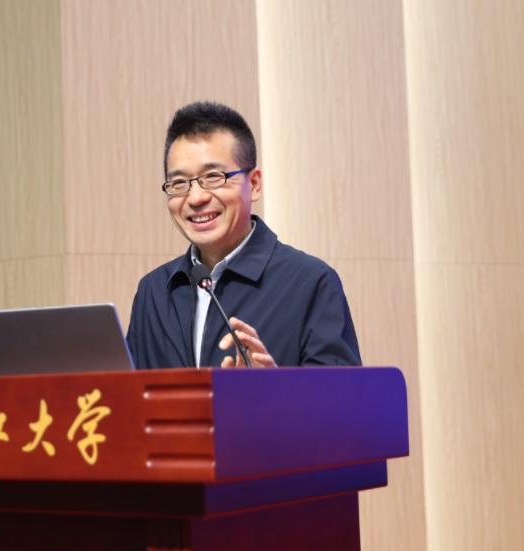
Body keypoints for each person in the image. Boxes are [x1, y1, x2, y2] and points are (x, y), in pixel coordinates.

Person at [126, 101, 361, 369]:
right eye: (179, 183)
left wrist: (272, 387)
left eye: (213, 177)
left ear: (254, 184)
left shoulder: (311, 283)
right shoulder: (154, 291)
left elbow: (343, 395)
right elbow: (128, 391)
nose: (196, 197)